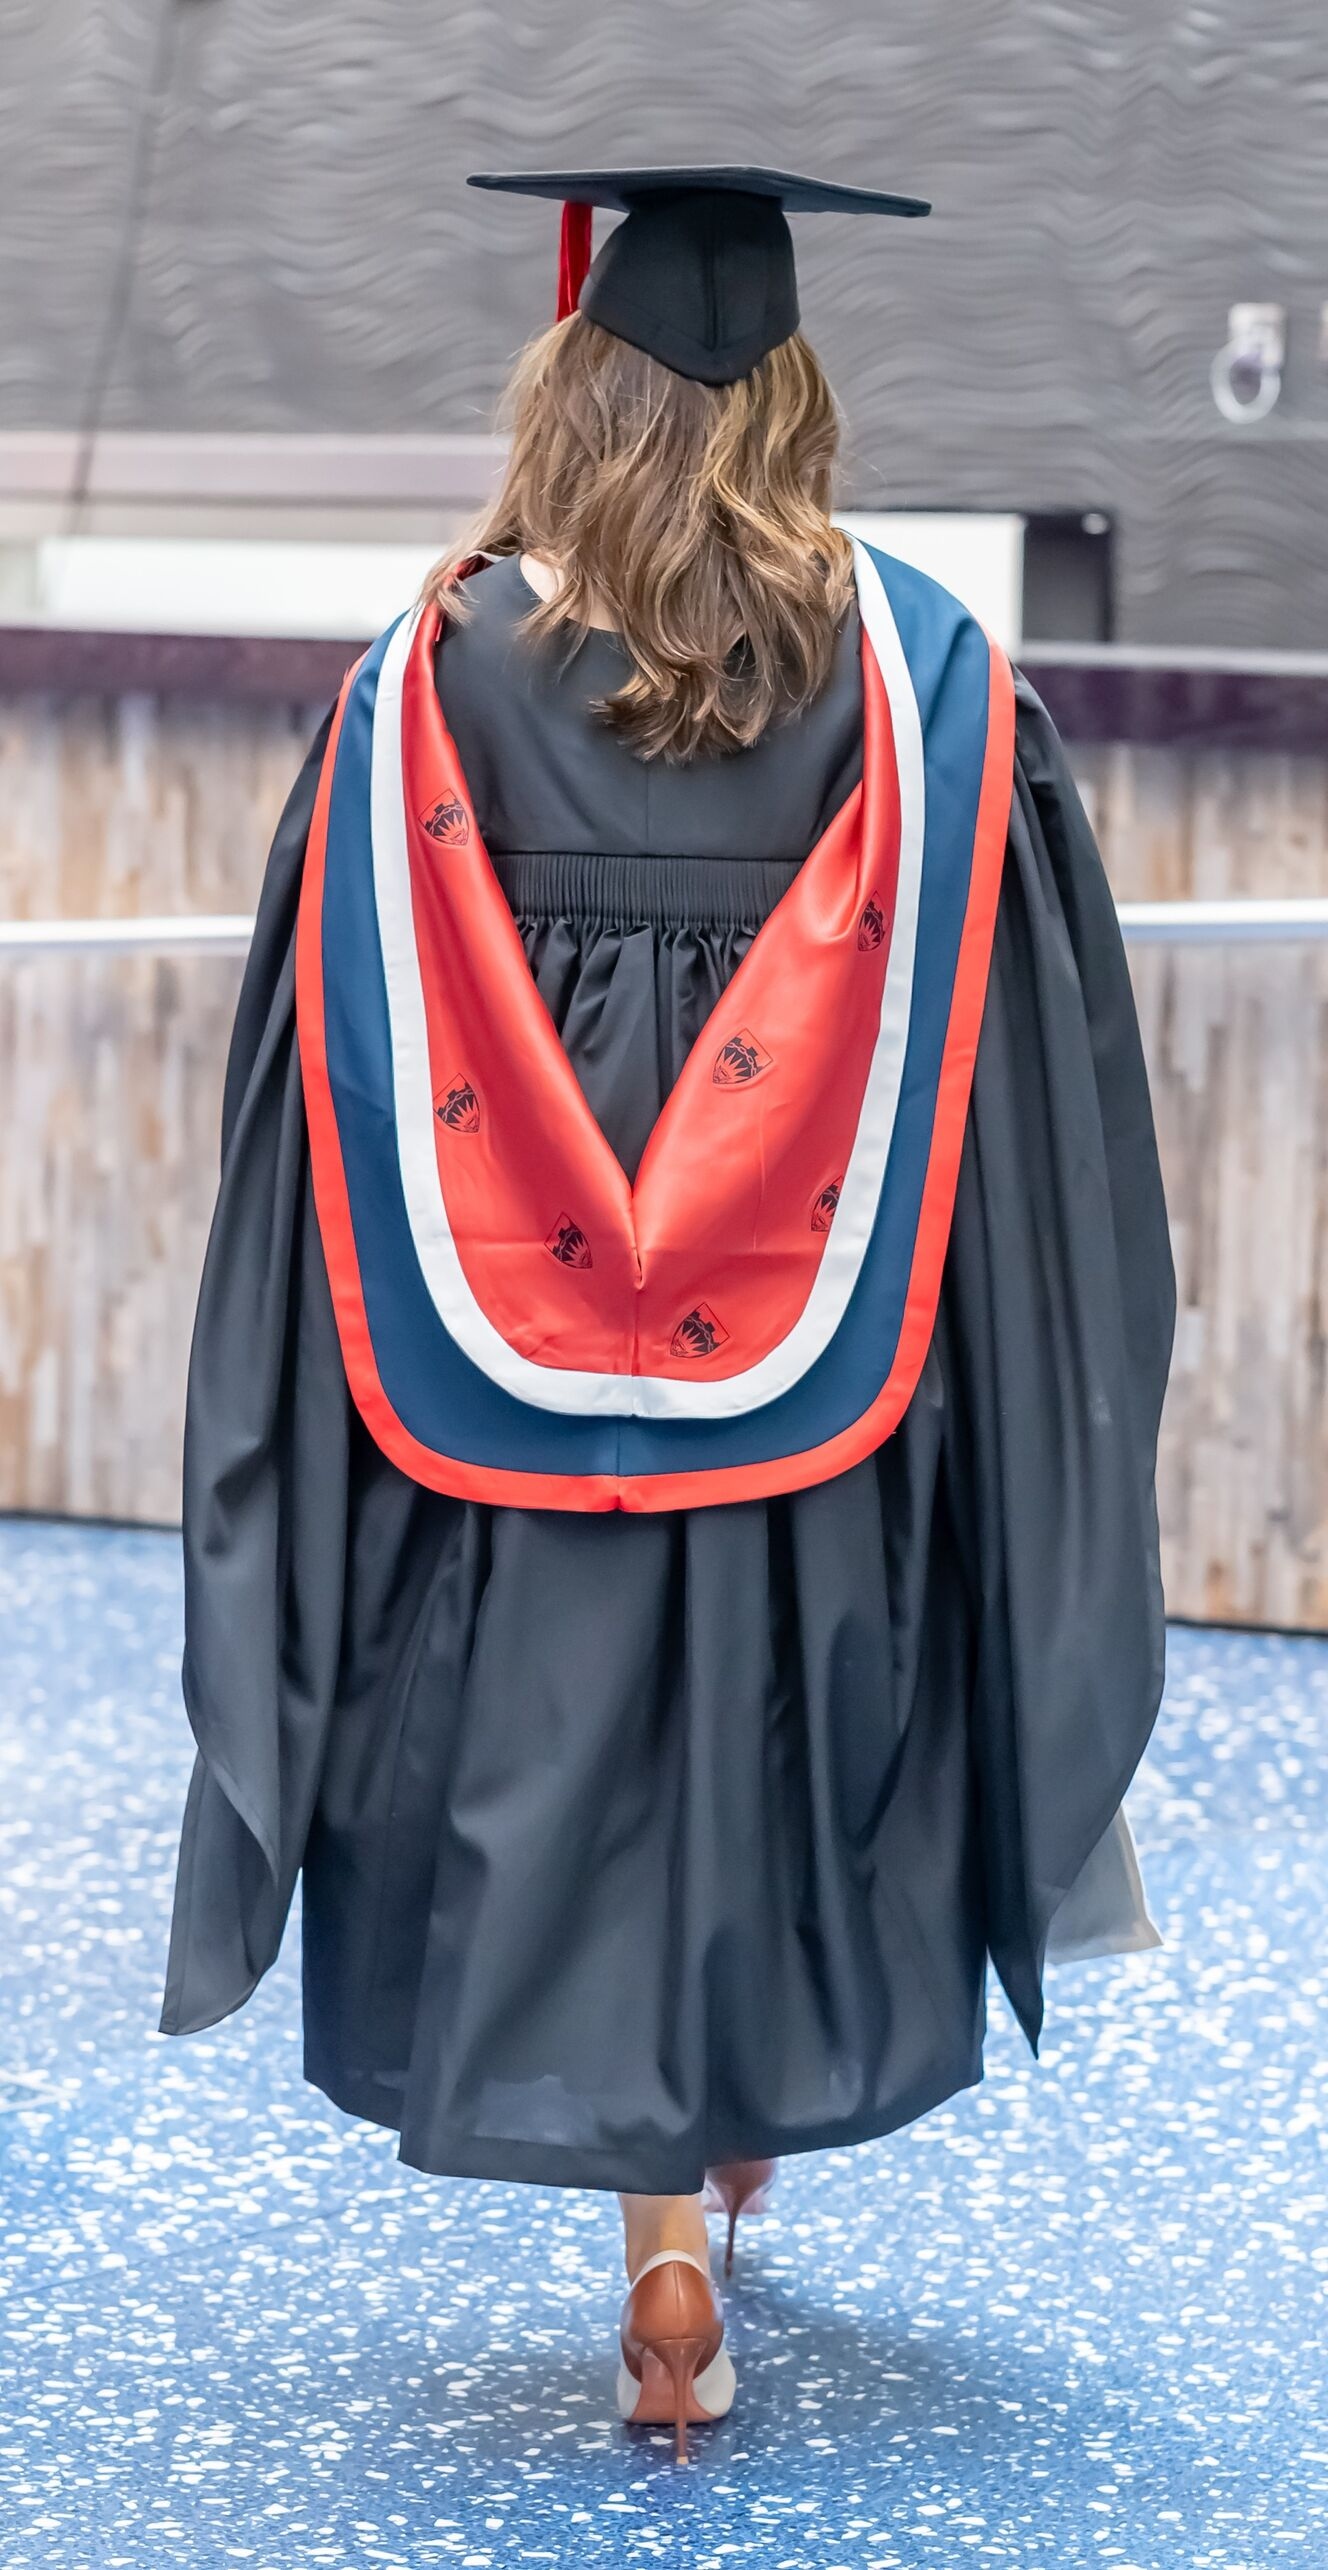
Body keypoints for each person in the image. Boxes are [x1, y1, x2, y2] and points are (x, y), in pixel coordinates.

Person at [159, 165, 1175, 2463]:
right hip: (842, 1355)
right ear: (795, 404)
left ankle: (662, 2231)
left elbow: (303, 1089)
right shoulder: (925, 688)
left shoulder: (422, 687)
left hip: (489, 1369)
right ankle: (723, 2169)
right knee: (775, 1742)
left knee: (573, 1757)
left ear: (570, 392)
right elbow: (1031, 1120)